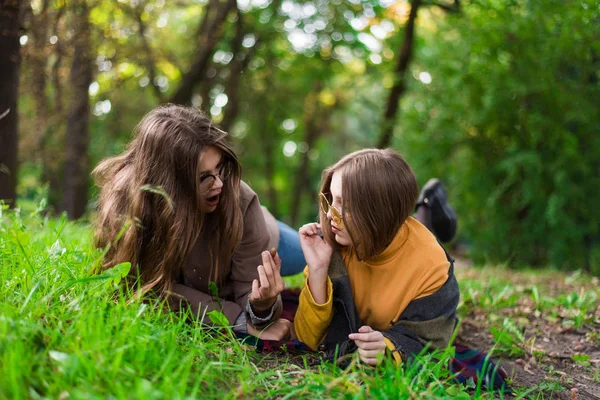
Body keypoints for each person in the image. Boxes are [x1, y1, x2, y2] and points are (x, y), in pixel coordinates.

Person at [93, 104, 293, 340]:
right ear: (167, 183)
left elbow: (251, 294)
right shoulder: (126, 204)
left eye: (220, 168)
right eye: (203, 177)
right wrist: (238, 321)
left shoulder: (239, 197)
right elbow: (139, 286)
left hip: (267, 237)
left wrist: (262, 306)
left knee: (319, 245)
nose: (218, 184)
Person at [294, 148, 460, 365]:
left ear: (377, 212)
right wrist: (317, 271)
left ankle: (426, 206)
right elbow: (306, 340)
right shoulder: (333, 244)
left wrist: (391, 349)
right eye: (331, 200)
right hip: (390, 226)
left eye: (345, 205)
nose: (328, 215)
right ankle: (423, 207)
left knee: (422, 229)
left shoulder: (432, 267)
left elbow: (434, 345)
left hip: (410, 240)